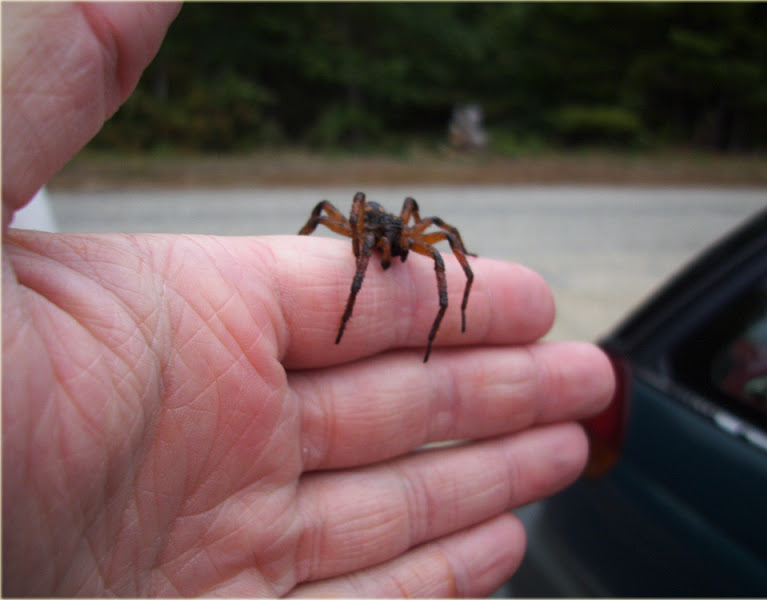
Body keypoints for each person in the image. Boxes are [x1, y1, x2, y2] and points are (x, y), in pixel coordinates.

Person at [2, 3, 614, 597]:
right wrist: (355, 263)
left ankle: (441, 303)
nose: (390, 255)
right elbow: (342, 213)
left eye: (393, 243)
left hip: (393, 223)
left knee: (442, 243)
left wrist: (455, 292)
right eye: (383, 245)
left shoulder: (410, 233)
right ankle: (318, 268)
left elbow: (439, 237)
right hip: (359, 223)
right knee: (340, 220)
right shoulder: (362, 227)